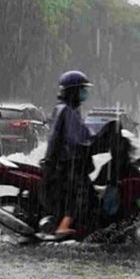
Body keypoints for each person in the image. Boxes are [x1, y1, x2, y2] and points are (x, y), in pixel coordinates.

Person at [39, 70, 97, 240]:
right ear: (73, 91)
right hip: (64, 162)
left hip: (62, 160)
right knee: (80, 192)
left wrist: (97, 136)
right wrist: (92, 143)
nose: (84, 93)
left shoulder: (68, 108)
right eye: (81, 90)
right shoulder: (67, 110)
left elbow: (82, 131)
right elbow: (75, 138)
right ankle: (63, 227)